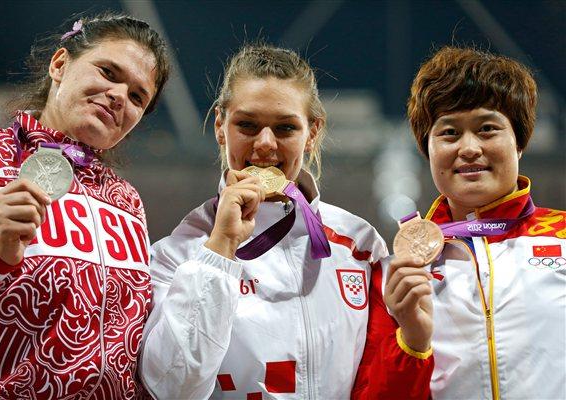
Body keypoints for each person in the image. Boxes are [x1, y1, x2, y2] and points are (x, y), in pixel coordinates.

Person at [140, 44, 432, 399]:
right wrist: (220, 250)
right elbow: (172, 389)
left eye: (285, 128)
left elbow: (376, 383)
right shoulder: (176, 255)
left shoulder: (360, 244)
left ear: (312, 133)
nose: (265, 143)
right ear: (220, 125)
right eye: (247, 124)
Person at [0, 12, 169, 398]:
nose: (119, 96)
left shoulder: (127, 202)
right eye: (108, 72)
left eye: (138, 96)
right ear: (60, 64)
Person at [354, 46, 565, 399]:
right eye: (449, 133)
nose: (468, 148)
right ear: (429, 149)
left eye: (486, 129)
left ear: (520, 142)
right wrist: (412, 341)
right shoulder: (396, 272)